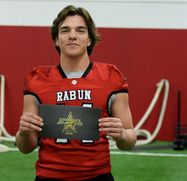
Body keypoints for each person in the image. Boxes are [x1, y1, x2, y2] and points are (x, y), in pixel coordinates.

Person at [15, 5, 137, 181]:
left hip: (97, 176)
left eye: (80, 30)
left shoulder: (111, 77)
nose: (72, 36)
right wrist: (24, 132)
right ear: (56, 39)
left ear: (89, 39)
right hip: (49, 176)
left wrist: (122, 134)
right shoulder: (38, 79)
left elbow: (130, 140)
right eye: (65, 30)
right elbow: (25, 147)